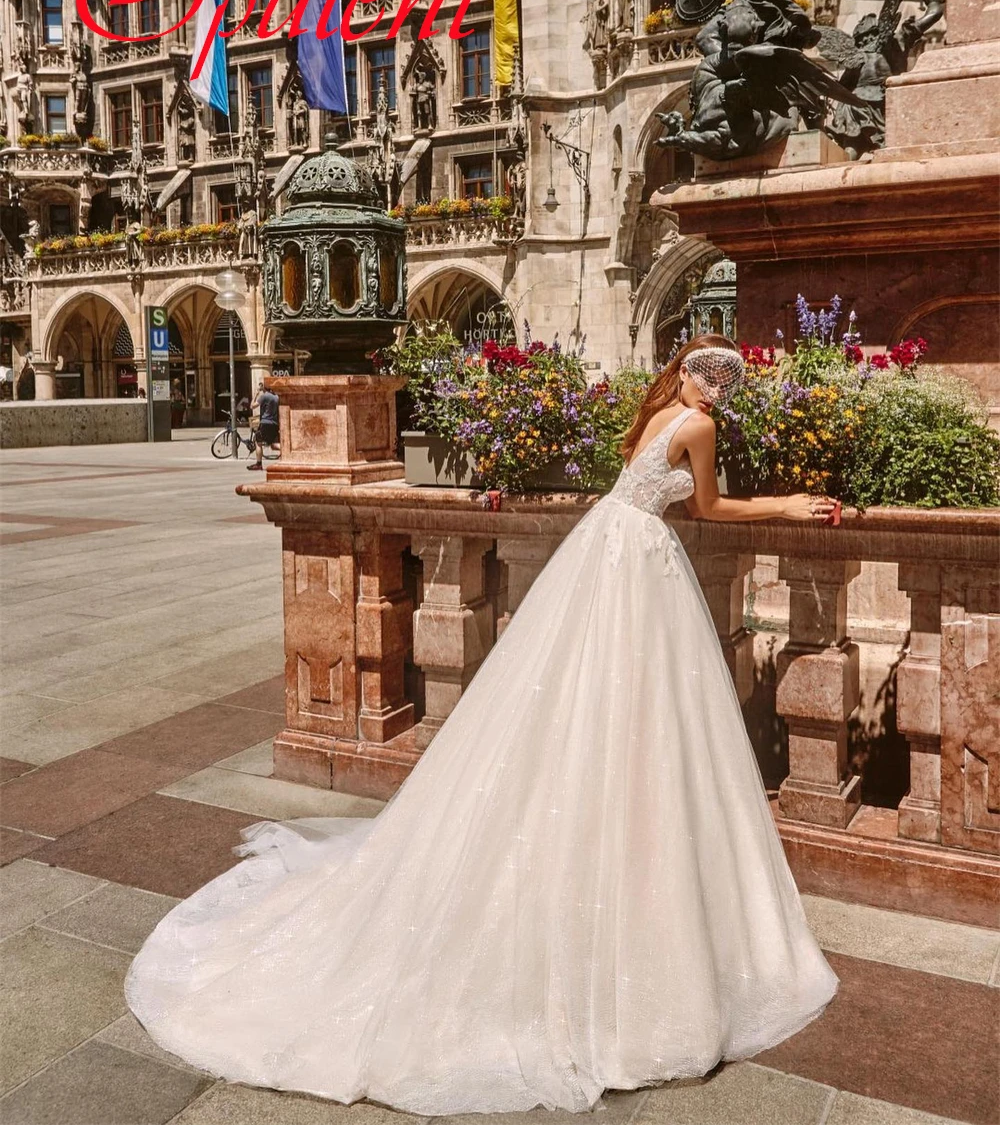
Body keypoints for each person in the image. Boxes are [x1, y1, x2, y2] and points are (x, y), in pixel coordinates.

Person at [126, 335, 839, 1114]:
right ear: (698, 379)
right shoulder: (696, 426)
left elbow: (643, 484)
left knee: (587, 690)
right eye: (718, 381)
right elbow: (705, 508)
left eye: (726, 385)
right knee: (642, 698)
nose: (720, 395)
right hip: (638, 560)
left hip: (606, 547)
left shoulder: (656, 412)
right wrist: (789, 503)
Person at [246, 380, 279, 470]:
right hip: (275, 423)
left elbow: (252, 406)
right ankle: (287, 455)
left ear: (264, 387)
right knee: (274, 444)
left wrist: (256, 394)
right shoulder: (276, 397)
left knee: (258, 442)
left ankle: (259, 464)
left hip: (265, 423)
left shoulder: (264, 396)